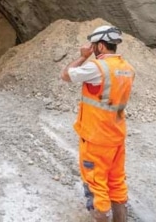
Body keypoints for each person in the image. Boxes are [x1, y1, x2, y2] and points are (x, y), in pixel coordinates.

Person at [60, 26, 135, 222]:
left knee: (96, 184)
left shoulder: (97, 67)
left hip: (96, 137)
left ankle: (101, 216)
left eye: (93, 46)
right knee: (116, 181)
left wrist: (83, 57)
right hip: (116, 135)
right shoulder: (127, 69)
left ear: (101, 46)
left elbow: (66, 75)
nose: (91, 49)